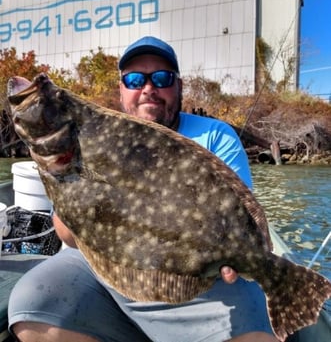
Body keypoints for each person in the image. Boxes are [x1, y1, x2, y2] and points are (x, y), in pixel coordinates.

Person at [8, 36, 278, 342]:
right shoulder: (92, 134)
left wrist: (235, 256)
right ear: (122, 89)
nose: (149, 88)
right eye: (135, 79)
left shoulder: (216, 136)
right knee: (32, 305)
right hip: (106, 260)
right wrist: (61, 174)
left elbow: (241, 221)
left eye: (161, 78)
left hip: (199, 276)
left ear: (179, 86)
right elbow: (68, 237)